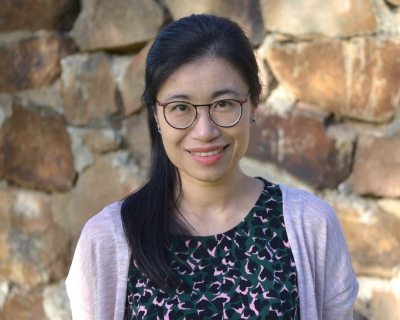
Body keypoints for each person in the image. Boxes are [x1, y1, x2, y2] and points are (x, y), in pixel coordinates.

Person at [66, 14, 359, 320]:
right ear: (155, 113)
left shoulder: (311, 226)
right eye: (181, 108)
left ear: (254, 103)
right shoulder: (109, 239)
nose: (204, 131)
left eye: (223, 104)